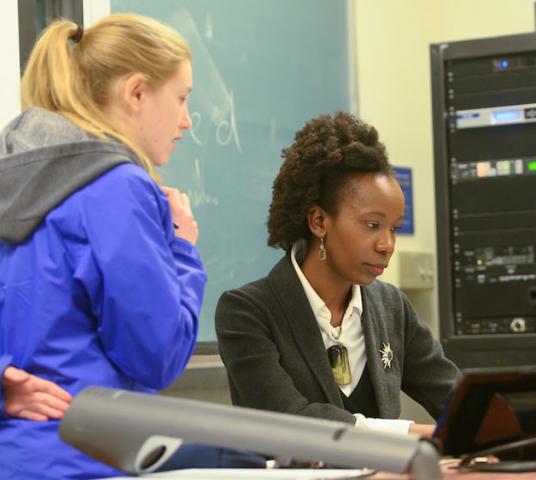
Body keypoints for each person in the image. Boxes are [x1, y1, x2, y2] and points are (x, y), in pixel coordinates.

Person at [0, 14, 206, 479]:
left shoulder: (7, 176)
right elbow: (155, 356)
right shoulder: (117, 188)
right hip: (87, 457)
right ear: (136, 93)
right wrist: (182, 250)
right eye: (181, 97)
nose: (187, 120)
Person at [215, 112, 461, 436]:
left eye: (394, 229)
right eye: (372, 225)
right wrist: (417, 433)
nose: (387, 244)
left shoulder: (392, 307)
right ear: (319, 221)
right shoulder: (247, 312)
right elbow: (292, 420)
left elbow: (459, 402)